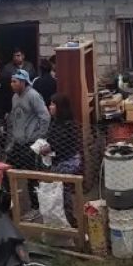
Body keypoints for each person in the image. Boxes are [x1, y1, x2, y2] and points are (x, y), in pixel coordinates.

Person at [6, 69, 51, 220]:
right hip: (18, 142)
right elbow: (14, 120)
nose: (12, 84)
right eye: (11, 81)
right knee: (8, 172)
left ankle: (36, 208)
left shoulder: (33, 95)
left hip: (30, 143)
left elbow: (45, 116)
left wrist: (38, 137)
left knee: (31, 176)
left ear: (23, 82)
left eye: (15, 81)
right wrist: (11, 142)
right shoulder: (13, 97)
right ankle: (9, 204)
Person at [44, 93, 82, 226]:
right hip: (57, 159)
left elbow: (61, 145)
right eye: (50, 104)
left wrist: (48, 149)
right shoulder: (54, 122)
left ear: (60, 107)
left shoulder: (68, 125)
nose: (50, 107)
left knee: (61, 188)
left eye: (53, 104)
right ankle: (62, 217)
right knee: (57, 187)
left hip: (68, 161)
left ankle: (69, 218)